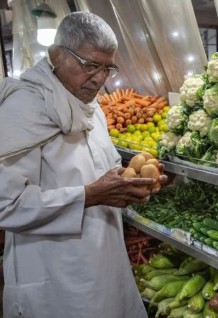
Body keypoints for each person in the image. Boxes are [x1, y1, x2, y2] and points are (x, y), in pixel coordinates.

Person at [0, 12, 167, 318]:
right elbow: (6, 205)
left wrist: (132, 184)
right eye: (90, 65)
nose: (101, 79)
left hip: (105, 265)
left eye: (108, 68)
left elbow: (107, 169)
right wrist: (90, 195)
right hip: (56, 276)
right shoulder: (23, 110)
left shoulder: (91, 108)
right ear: (56, 56)